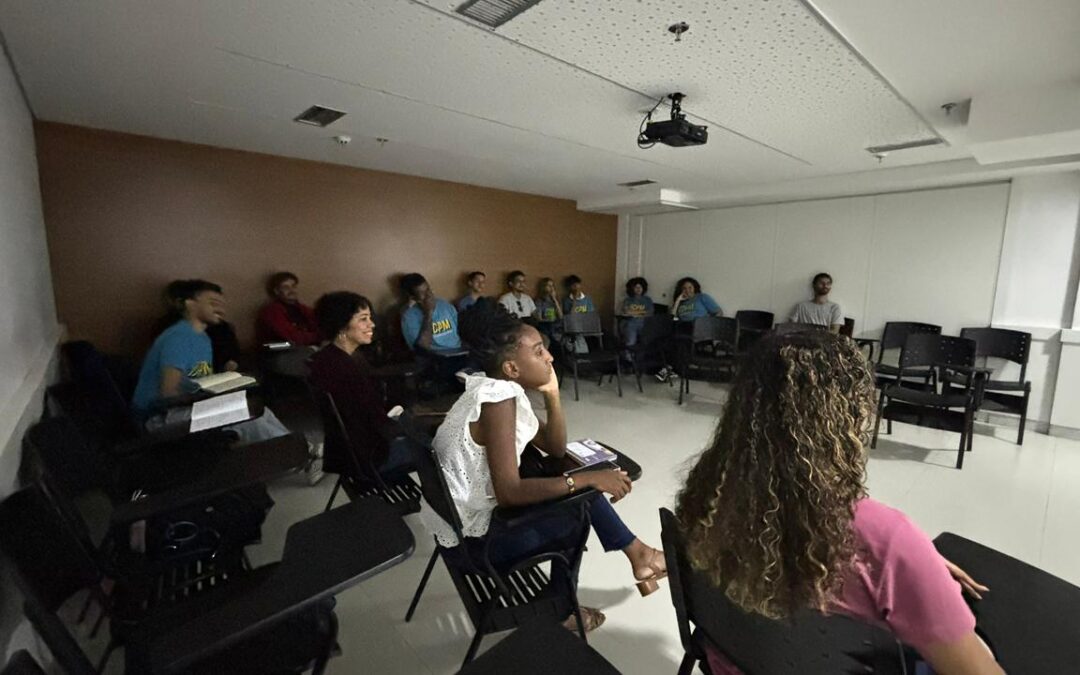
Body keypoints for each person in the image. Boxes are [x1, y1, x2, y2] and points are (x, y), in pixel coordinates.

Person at [676, 331, 1002, 675]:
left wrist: (914, 568)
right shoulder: (886, 539)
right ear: (850, 414)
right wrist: (907, 565)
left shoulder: (709, 495)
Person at [418, 302, 667, 631]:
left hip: (458, 527)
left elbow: (554, 447)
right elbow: (509, 493)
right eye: (538, 352)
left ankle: (639, 555)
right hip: (477, 545)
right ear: (511, 368)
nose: (549, 357)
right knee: (578, 511)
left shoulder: (488, 386)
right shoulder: (498, 401)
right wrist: (589, 480)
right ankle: (566, 612)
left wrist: (552, 394)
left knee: (578, 487)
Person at [131, 279, 290, 444]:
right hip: (161, 417)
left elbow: (196, 379)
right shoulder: (178, 337)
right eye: (213, 303)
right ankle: (297, 457)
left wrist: (226, 383)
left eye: (222, 304)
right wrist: (211, 401)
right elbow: (168, 394)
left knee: (261, 410)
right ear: (189, 304)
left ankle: (301, 452)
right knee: (248, 415)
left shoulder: (203, 338)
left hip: (184, 407)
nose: (220, 309)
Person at [308, 292, 416, 477]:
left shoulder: (324, 358)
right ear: (342, 325)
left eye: (370, 318)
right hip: (370, 457)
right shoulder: (345, 369)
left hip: (342, 454)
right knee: (440, 441)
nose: (371, 324)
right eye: (363, 319)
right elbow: (378, 423)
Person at [399, 273, 462, 352]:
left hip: (458, 352)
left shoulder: (445, 305)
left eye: (428, 289)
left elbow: (459, 332)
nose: (429, 295)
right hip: (434, 357)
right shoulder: (409, 317)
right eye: (422, 293)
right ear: (413, 297)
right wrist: (429, 312)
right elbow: (421, 349)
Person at [256, 271, 320, 346]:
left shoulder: (303, 309)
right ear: (276, 291)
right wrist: (318, 337)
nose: (291, 290)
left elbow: (318, 326)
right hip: (281, 351)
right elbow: (292, 337)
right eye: (286, 287)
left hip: (305, 347)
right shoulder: (272, 311)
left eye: (293, 286)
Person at [618, 276, 654, 349]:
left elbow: (650, 312)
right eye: (636, 287)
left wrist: (635, 313)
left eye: (640, 287)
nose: (638, 289)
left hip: (644, 323)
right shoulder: (628, 300)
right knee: (630, 335)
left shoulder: (647, 300)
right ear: (632, 289)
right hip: (630, 322)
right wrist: (641, 313)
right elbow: (626, 312)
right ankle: (628, 355)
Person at [534, 276, 564, 350]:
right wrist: (548, 320)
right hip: (545, 325)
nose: (551, 288)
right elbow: (539, 318)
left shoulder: (556, 301)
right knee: (547, 329)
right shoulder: (539, 301)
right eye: (549, 285)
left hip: (556, 326)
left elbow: (560, 316)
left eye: (552, 286)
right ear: (543, 287)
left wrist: (554, 300)